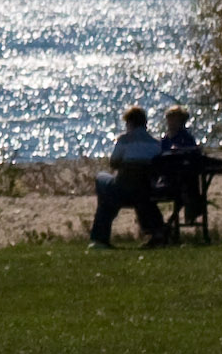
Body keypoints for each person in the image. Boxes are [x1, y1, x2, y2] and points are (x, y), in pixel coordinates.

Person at [90, 105, 164, 248]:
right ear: (145, 123)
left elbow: (114, 162)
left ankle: (100, 236)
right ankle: (155, 232)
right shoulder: (156, 144)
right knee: (121, 192)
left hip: (123, 189)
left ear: (129, 123)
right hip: (145, 191)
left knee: (101, 179)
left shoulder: (124, 140)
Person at [153, 106, 210, 240]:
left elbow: (193, 155)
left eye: (174, 120)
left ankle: (171, 225)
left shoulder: (185, 138)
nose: (171, 123)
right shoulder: (165, 139)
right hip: (168, 177)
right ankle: (167, 226)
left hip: (181, 177)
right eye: (169, 120)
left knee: (186, 187)